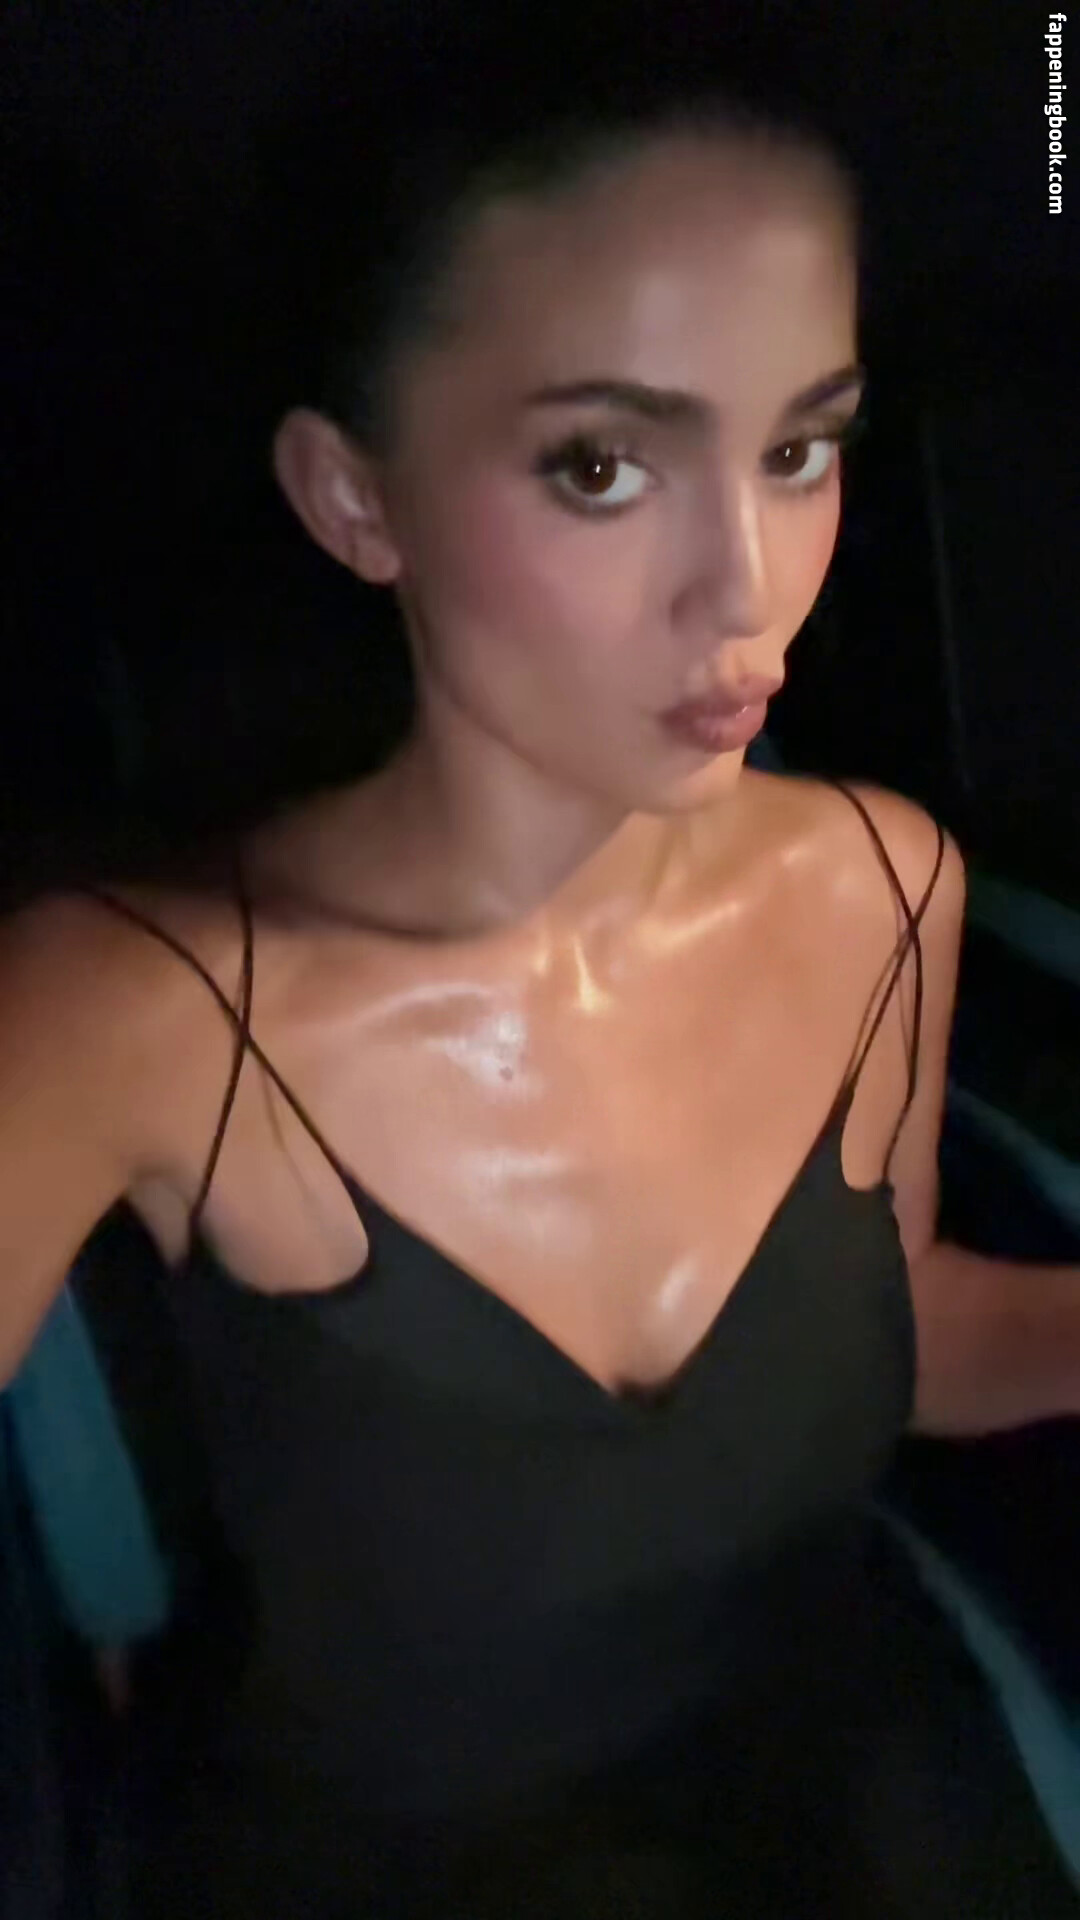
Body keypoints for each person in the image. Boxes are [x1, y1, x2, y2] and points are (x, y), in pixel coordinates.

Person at [2, 53, 1080, 1917]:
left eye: (801, 448)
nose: (747, 588)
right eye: (602, 466)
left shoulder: (883, 881)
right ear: (356, 499)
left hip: (857, 1796)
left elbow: (902, 1323)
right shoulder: (136, 1010)